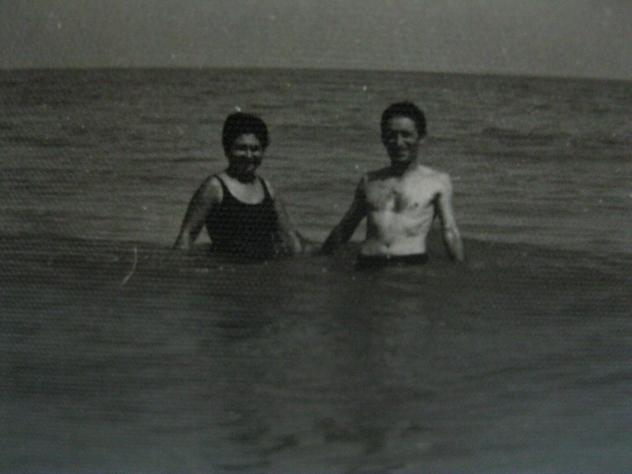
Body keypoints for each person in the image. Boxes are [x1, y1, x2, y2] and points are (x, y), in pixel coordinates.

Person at [321, 101, 464, 267]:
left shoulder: (437, 181)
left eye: (406, 135)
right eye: (391, 135)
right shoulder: (369, 181)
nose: (398, 142)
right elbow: (345, 227)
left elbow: (450, 230)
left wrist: (460, 269)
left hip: (411, 264)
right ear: (383, 139)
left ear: (421, 138)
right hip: (367, 265)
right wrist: (320, 258)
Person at [173, 112, 308, 259]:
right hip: (228, 269)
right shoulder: (215, 187)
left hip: (266, 269)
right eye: (241, 148)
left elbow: (290, 237)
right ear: (227, 150)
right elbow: (186, 236)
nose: (249, 156)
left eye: (255, 149)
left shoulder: (267, 189)